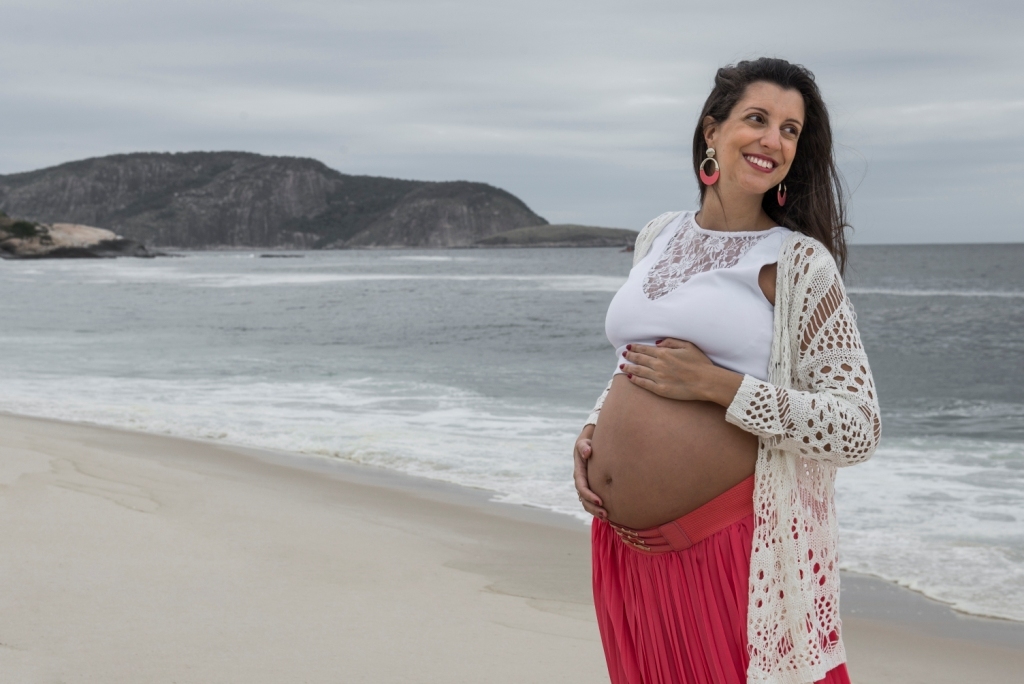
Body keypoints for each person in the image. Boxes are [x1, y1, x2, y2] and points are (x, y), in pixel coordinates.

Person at [572, 58, 881, 684]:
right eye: (757, 119)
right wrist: (592, 430)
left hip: (725, 546)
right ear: (712, 130)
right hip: (622, 548)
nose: (773, 140)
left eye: (790, 130)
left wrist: (720, 387)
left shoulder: (799, 264)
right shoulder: (659, 234)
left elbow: (857, 428)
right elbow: (635, 361)